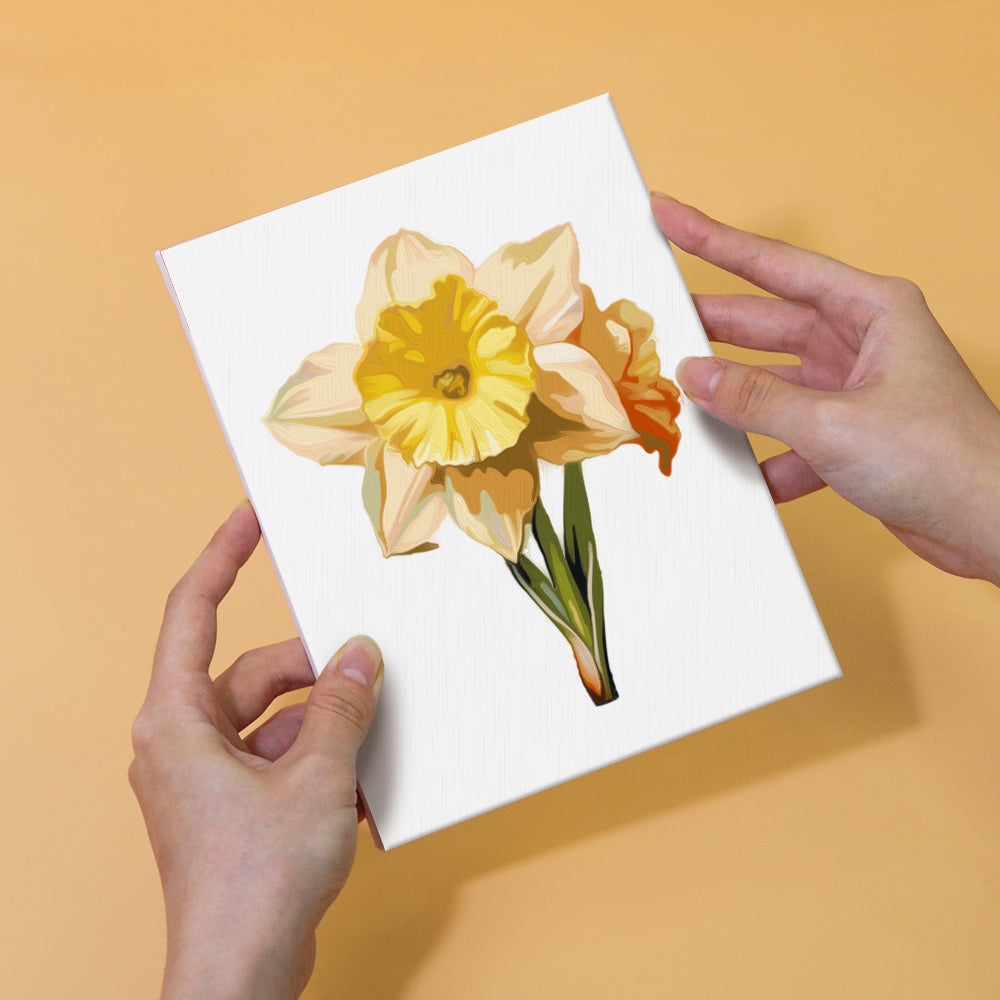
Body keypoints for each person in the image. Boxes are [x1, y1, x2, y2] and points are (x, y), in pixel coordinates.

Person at [129, 195, 1000, 999]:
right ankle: (593, 661)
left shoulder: (537, 384)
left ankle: (595, 661)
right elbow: (374, 487)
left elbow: (567, 353)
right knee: (526, 542)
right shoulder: (400, 428)